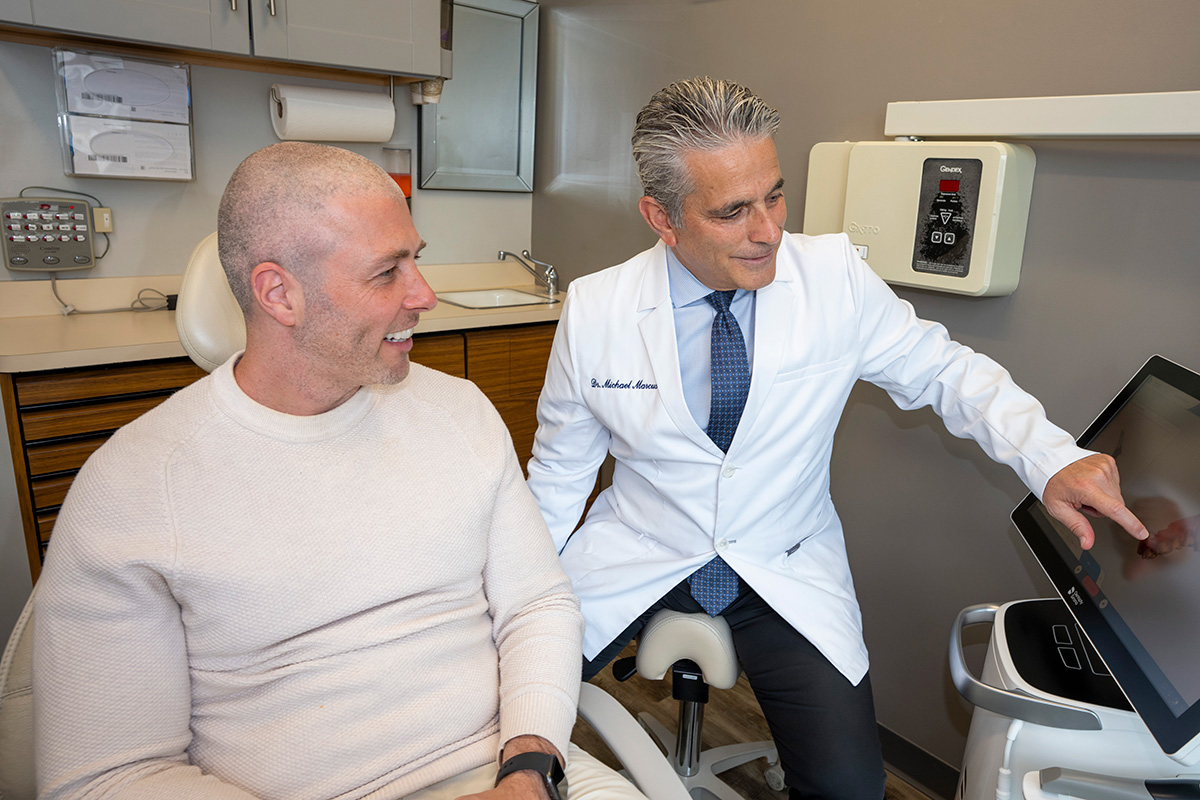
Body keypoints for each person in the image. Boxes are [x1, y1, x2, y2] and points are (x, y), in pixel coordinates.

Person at [524, 77, 1148, 800]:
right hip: (637, 554)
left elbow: (946, 373)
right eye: (732, 211)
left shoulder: (834, 280)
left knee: (851, 788)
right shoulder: (598, 309)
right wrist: (517, 601)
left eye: (775, 196)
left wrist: (1053, 460)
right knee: (499, 707)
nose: (767, 232)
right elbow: (559, 476)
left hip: (782, 566)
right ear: (662, 216)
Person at [33, 143, 588, 800]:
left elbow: (537, 604)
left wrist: (528, 765)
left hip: (506, 771)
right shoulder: (136, 488)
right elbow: (106, 778)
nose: (425, 295)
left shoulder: (458, 413)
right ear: (279, 293)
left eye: (418, 258)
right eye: (387, 273)